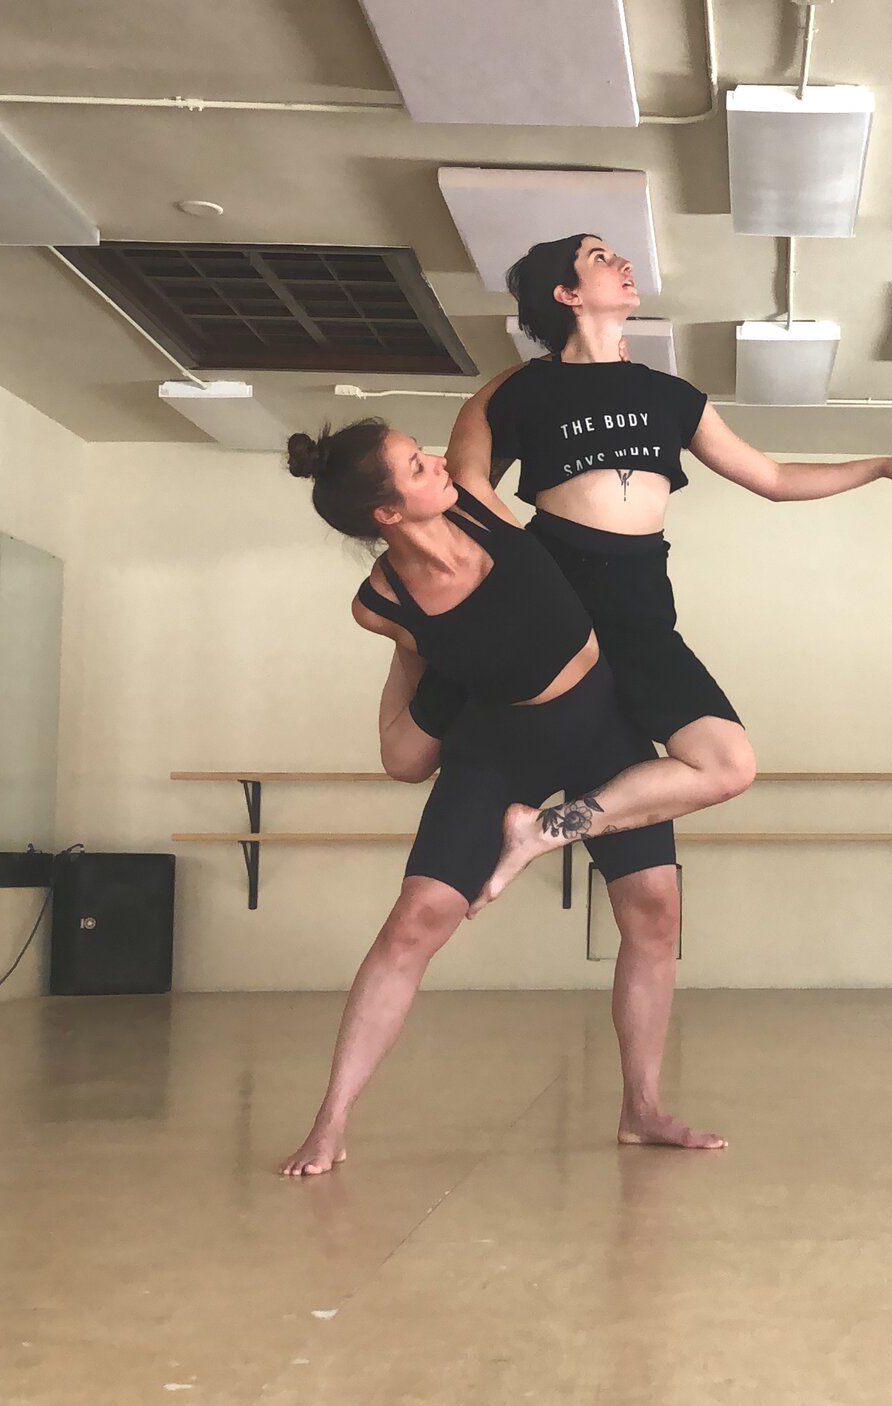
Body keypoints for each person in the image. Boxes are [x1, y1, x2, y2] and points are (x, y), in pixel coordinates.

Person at [276, 417, 726, 1176]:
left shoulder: (475, 498)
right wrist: (414, 736)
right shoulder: (381, 603)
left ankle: (641, 1107)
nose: (433, 461)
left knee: (655, 910)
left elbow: (494, 406)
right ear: (387, 514)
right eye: (414, 467)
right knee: (414, 922)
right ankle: (330, 1122)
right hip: (500, 745)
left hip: (603, 724)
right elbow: (416, 662)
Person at [440, 231, 892, 906]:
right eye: (598, 258)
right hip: (557, 595)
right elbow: (465, 488)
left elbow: (773, 476)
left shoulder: (672, 395)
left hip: (642, 605)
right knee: (499, 728)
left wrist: (877, 467)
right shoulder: (518, 390)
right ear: (566, 294)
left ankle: (543, 832)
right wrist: (522, 564)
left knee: (729, 765)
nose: (622, 263)